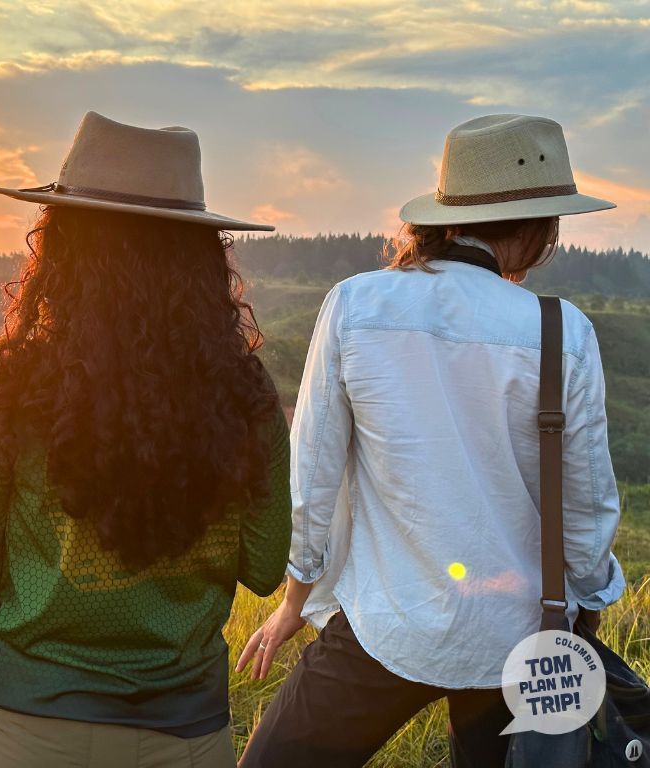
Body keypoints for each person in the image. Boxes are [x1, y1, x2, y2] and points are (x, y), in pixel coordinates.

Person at [236, 114, 625, 767]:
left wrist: (296, 602)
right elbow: (587, 516)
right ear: (539, 229)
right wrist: (586, 611)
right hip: (520, 636)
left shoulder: (357, 305)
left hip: (388, 622)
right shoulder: (564, 331)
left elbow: (313, 471)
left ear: (446, 216)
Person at [0, 111, 292, 768]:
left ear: (62, 248)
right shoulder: (247, 399)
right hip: (186, 734)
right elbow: (266, 570)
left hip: (27, 732)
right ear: (199, 256)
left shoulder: (16, 394)